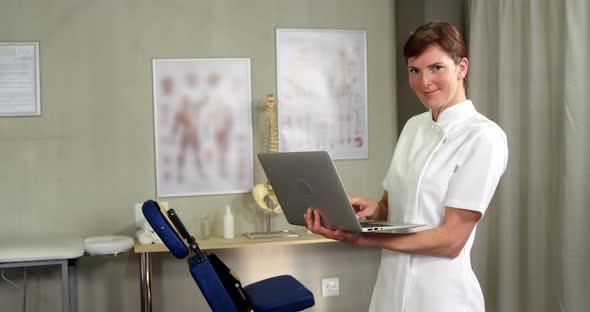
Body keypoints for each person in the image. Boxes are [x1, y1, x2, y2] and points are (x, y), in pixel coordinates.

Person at [304, 21, 508, 312]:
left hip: (441, 299)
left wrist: (364, 240)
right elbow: (394, 205)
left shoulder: (484, 137)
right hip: (389, 293)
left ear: (462, 68)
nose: (424, 82)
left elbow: (451, 240)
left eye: (436, 67)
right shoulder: (414, 127)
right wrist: (375, 209)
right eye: (415, 70)